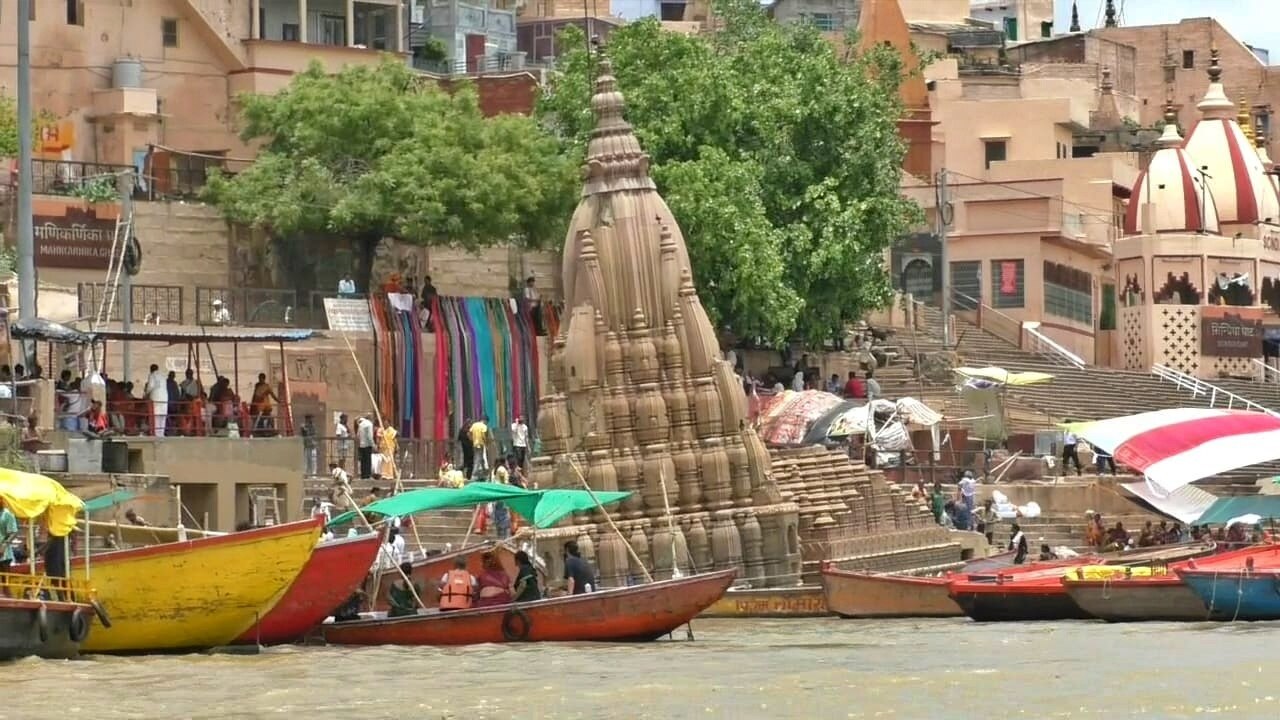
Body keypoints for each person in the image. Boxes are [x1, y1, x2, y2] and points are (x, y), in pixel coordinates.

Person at [144, 363, 168, 436]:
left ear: (151, 370)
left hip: (156, 397)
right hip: (165, 397)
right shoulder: (163, 375)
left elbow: (150, 386)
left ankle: (157, 434)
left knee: (156, 416)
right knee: (162, 416)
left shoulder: (152, 375)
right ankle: (161, 434)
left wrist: (146, 393)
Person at [356, 415, 375, 479]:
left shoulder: (360, 424)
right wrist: (373, 445)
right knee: (368, 461)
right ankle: (367, 475)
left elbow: (358, 435)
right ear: (370, 418)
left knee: (363, 461)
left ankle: (363, 475)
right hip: (367, 445)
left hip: (361, 445)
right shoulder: (369, 424)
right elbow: (370, 436)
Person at [0, 501, 17, 572]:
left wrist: (4, 545)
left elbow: (13, 532)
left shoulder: (7, 514)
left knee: (4, 576)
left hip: (3, 554)